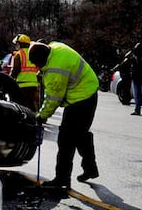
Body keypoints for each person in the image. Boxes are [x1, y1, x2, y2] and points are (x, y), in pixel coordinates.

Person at [30, 40, 100, 190]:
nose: (37, 68)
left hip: (81, 98)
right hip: (89, 90)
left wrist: (41, 116)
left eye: (38, 65)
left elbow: (53, 100)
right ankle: (90, 168)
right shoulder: (55, 47)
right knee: (80, 135)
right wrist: (42, 72)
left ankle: (62, 179)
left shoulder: (56, 70)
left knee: (66, 140)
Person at [5, 34, 41, 111]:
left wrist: (9, 79)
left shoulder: (19, 54)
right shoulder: (34, 53)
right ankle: (36, 119)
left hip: (22, 84)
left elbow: (15, 70)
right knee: (32, 103)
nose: (16, 45)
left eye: (17, 43)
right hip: (34, 84)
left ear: (20, 44)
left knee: (20, 105)